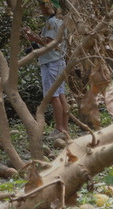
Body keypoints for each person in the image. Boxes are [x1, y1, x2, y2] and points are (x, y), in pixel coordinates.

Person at [22, 1, 69, 138]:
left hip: (51, 63)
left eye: (43, 5)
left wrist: (32, 36)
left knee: (53, 96)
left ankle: (59, 129)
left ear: (50, 6)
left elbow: (49, 43)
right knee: (60, 95)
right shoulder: (59, 21)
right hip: (58, 61)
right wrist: (33, 38)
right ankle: (64, 129)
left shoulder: (52, 22)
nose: (41, 8)